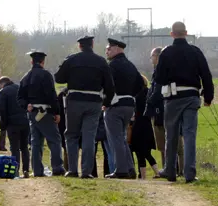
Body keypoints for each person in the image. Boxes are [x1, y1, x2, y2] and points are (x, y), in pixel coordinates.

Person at [155, 22, 214, 183]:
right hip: (192, 97)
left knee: (171, 135)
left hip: (173, 98)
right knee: (189, 135)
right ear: (186, 33)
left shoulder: (166, 53)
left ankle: (170, 171)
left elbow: (159, 78)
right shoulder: (195, 52)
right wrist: (208, 97)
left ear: (172, 34)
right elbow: (206, 75)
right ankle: (189, 174)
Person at [54, 36, 115, 179]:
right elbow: (110, 86)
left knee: (72, 135)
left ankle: (73, 170)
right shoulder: (101, 61)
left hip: (74, 100)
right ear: (92, 44)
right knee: (89, 136)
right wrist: (106, 102)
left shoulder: (71, 60)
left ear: (80, 46)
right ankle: (87, 171)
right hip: (94, 102)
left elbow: (58, 79)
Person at [17, 50, 65, 177]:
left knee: (36, 142)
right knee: (54, 140)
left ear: (31, 61)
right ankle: (57, 167)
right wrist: (57, 112)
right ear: (43, 62)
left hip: (32, 113)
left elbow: (20, 97)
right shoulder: (46, 75)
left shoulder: (25, 77)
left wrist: (26, 105)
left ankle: (37, 170)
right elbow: (51, 95)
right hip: (46, 112)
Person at [103, 38, 144, 179]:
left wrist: (106, 101)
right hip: (129, 105)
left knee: (116, 139)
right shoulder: (131, 65)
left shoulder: (111, 66)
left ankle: (121, 170)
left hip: (115, 105)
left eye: (108, 48)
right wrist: (130, 95)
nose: (106, 51)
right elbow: (141, 84)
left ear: (116, 49)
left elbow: (107, 86)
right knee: (122, 138)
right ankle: (130, 168)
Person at [145, 47, 184, 176]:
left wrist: (149, 102)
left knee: (173, 141)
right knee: (163, 143)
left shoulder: (162, 72)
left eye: (152, 57)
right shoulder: (160, 71)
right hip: (162, 111)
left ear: (158, 56)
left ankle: (176, 169)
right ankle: (168, 168)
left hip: (162, 110)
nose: (151, 59)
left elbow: (157, 92)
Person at [0, 76, 30, 178]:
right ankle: (26, 170)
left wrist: (3, 125)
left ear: (2, 84)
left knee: (14, 147)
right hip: (25, 121)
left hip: (12, 124)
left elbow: (2, 110)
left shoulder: (3, 92)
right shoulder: (20, 88)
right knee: (24, 147)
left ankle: (15, 170)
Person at [131, 75, 160, 180]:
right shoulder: (149, 92)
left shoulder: (136, 94)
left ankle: (143, 176)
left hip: (138, 125)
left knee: (140, 152)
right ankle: (155, 173)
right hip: (147, 125)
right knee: (146, 152)